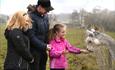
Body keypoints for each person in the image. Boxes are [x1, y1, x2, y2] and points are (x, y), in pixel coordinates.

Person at [26, 0, 54, 70]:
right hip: (34, 52)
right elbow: (31, 37)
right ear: (40, 7)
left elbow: (46, 32)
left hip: (43, 51)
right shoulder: (30, 17)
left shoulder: (45, 16)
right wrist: (44, 46)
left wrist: (52, 43)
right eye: (46, 9)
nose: (48, 12)